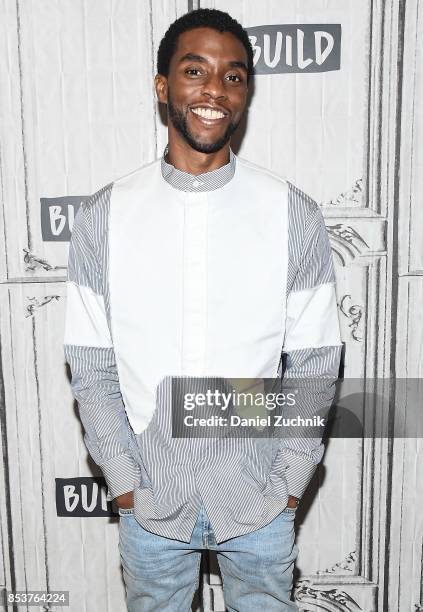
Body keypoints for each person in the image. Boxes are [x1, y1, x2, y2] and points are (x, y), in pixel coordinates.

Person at [64, 8, 342, 612]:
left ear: (246, 93)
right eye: (195, 71)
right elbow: (90, 366)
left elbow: (317, 363)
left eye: (234, 76)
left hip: (260, 501)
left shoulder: (292, 212)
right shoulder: (103, 216)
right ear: (163, 86)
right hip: (152, 507)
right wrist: (127, 483)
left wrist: (289, 484)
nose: (215, 90)